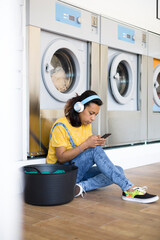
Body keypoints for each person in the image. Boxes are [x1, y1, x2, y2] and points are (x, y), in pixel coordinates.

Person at [47, 90, 159, 204]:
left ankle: (79, 187)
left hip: (75, 173)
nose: (93, 118)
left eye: (95, 115)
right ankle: (129, 189)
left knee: (118, 170)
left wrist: (95, 143)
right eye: (91, 113)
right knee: (96, 152)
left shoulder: (85, 124)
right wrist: (87, 145)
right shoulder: (60, 126)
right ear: (79, 108)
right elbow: (61, 158)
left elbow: (85, 154)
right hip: (59, 176)